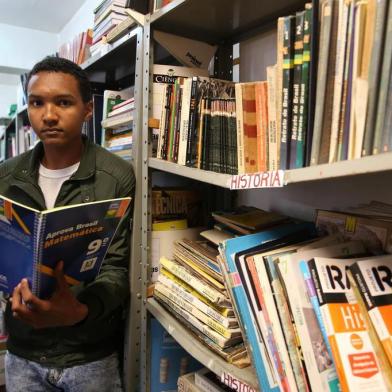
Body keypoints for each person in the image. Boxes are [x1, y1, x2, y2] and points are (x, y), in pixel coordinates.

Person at [0, 56, 135, 391]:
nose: (48, 115)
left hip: (88, 355)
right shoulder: (5, 176)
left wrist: (79, 311)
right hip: (23, 353)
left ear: (88, 109)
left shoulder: (116, 176)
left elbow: (116, 267)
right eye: (37, 103)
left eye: (63, 102)